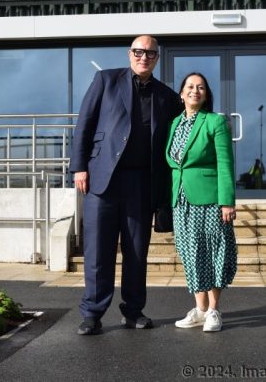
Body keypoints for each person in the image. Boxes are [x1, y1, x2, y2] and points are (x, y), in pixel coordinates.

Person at [70, 35, 182, 335]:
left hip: (141, 183)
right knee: (97, 252)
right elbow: (85, 124)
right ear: (129, 54)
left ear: (157, 58)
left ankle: (133, 311)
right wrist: (79, 166)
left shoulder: (167, 97)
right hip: (102, 180)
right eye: (138, 52)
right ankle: (92, 314)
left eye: (149, 53)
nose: (143, 57)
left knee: (136, 251)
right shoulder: (106, 80)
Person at [166, 72, 237, 332]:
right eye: (190, 87)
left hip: (210, 200)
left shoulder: (215, 122)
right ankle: (200, 309)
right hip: (182, 200)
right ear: (182, 93)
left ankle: (214, 311)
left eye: (201, 87)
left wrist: (227, 202)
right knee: (190, 253)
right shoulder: (174, 124)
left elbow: (225, 164)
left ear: (206, 94)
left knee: (215, 251)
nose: (195, 91)